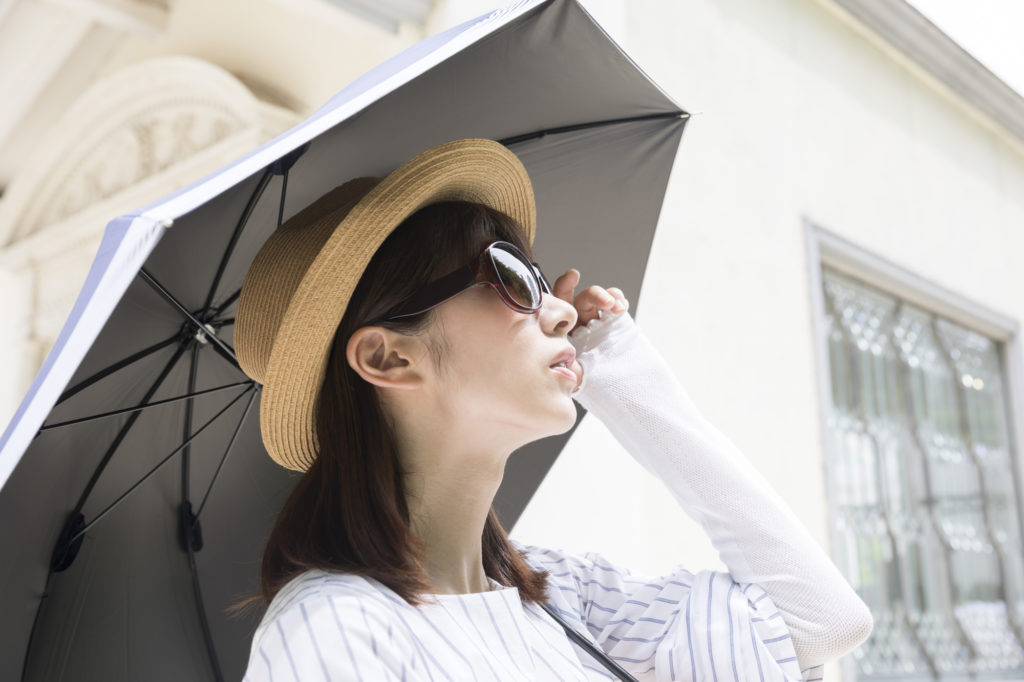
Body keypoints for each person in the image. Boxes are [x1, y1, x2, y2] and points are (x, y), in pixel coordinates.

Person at [232, 138, 873, 681]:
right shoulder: (337, 630)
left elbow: (821, 617)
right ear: (389, 359)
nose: (563, 309)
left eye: (540, 280)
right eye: (509, 276)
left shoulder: (565, 597)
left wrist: (616, 368)